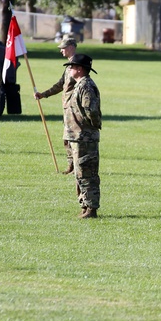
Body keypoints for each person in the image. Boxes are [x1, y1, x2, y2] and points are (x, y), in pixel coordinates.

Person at [62, 54, 102, 218]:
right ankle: (85, 205)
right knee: (80, 174)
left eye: (72, 66)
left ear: (80, 69)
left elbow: (91, 111)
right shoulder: (78, 84)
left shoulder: (86, 86)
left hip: (84, 137)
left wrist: (91, 127)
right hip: (77, 136)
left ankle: (91, 208)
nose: (69, 69)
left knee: (87, 173)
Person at [35, 37, 79, 172]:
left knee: (73, 138)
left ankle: (77, 166)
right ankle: (71, 165)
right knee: (67, 138)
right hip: (67, 108)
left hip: (74, 108)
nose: (61, 50)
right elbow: (61, 84)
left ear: (71, 47)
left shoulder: (78, 64)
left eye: (63, 47)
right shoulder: (69, 66)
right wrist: (44, 94)